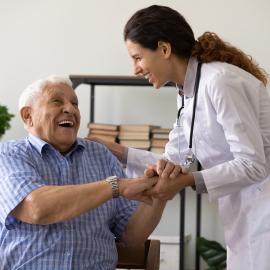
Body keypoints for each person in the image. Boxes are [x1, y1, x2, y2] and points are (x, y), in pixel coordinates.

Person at [90, 5, 270, 270]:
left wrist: (188, 180)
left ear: (164, 49)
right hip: (244, 211)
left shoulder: (219, 81)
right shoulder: (187, 91)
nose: (135, 69)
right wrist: (118, 151)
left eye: (138, 57)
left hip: (262, 208)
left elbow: (253, 164)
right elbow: (173, 159)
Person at [0, 75, 175, 270]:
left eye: (75, 103)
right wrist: (115, 186)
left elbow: (132, 236)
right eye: (57, 101)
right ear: (27, 116)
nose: (70, 109)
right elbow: (36, 208)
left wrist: (160, 193)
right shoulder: (8, 154)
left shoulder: (101, 155)